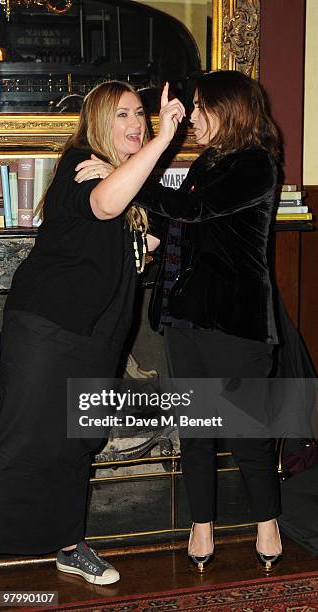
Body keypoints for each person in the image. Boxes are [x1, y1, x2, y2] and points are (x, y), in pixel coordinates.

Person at [75, 71, 283, 573]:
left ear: (229, 111)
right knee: (194, 430)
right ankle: (202, 524)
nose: (192, 117)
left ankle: (268, 522)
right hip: (185, 315)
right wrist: (147, 239)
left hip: (235, 321)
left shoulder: (256, 164)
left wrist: (121, 174)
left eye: (202, 107)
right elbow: (178, 222)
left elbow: (192, 208)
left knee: (244, 430)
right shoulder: (208, 161)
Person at [0, 80, 176, 584]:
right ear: (98, 120)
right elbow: (104, 206)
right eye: (122, 115)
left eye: (141, 115)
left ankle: (69, 544)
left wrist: (137, 173)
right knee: (21, 438)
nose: (136, 124)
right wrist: (162, 143)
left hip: (95, 336)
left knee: (79, 441)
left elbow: (160, 229)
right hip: (47, 328)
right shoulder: (82, 164)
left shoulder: (122, 180)